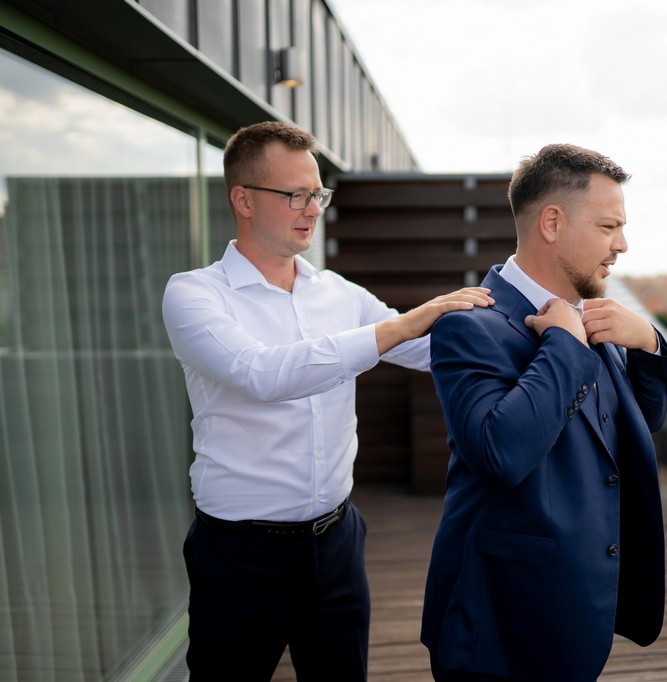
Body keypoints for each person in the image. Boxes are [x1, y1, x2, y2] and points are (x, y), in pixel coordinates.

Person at [161, 121, 493, 681]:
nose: (313, 209)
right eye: (295, 195)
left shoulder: (339, 292)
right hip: (239, 556)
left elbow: (432, 351)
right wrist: (402, 324)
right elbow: (262, 374)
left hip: (337, 542)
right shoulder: (193, 293)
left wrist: (547, 325)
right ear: (243, 199)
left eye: (318, 194)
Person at [420, 143, 667, 681]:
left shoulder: (591, 315)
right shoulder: (468, 325)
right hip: (499, 632)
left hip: (579, 615)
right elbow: (500, 454)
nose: (622, 244)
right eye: (608, 227)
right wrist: (564, 343)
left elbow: (637, 425)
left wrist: (649, 342)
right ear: (552, 223)